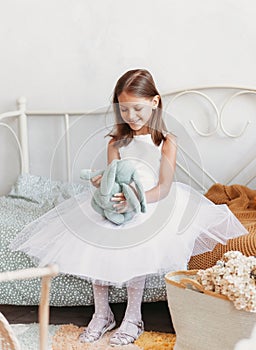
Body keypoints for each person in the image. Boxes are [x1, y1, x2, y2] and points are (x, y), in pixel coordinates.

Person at [10, 69, 248, 346]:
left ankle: (133, 317)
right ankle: (102, 314)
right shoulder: (116, 141)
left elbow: (164, 187)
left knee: (137, 239)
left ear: (155, 102)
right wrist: (103, 184)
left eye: (137, 108)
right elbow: (114, 175)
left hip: (152, 201)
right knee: (98, 234)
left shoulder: (166, 141)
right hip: (118, 202)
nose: (131, 116)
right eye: (124, 110)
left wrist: (137, 198)